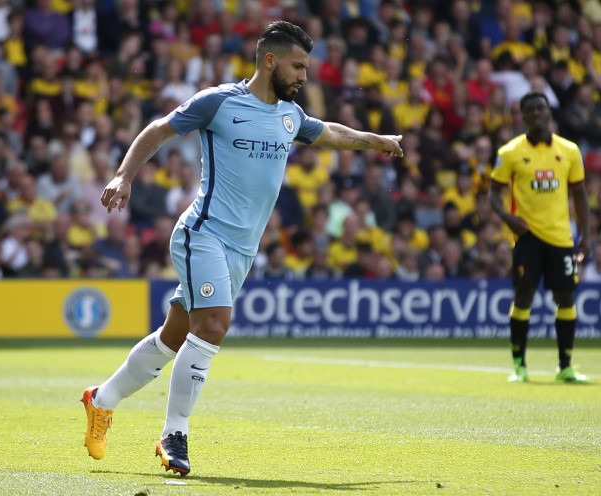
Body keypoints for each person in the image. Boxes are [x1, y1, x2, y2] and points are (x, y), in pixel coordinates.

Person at [81, 21, 403, 476]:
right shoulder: (219, 102)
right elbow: (158, 129)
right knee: (214, 325)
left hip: (241, 252)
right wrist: (123, 175)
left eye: (306, 68)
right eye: (297, 66)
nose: (303, 77)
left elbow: (330, 131)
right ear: (269, 61)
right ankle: (175, 434)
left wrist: (376, 142)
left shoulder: (291, 117)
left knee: (176, 336)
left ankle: (101, 399)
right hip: (203, 233)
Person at [488, 92, 590, 384]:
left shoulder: (569, 150)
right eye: (529, 109)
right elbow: (492, 194)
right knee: (524, 296)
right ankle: (519, 365)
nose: (536, 113)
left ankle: (565, 366)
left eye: (540, 108)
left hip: (561, 237)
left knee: (566, 297)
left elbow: (580, 194)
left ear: (548, 112)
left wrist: (586, 235)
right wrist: (509, 219)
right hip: (527, 237)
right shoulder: (509, 152)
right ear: (522, 116)